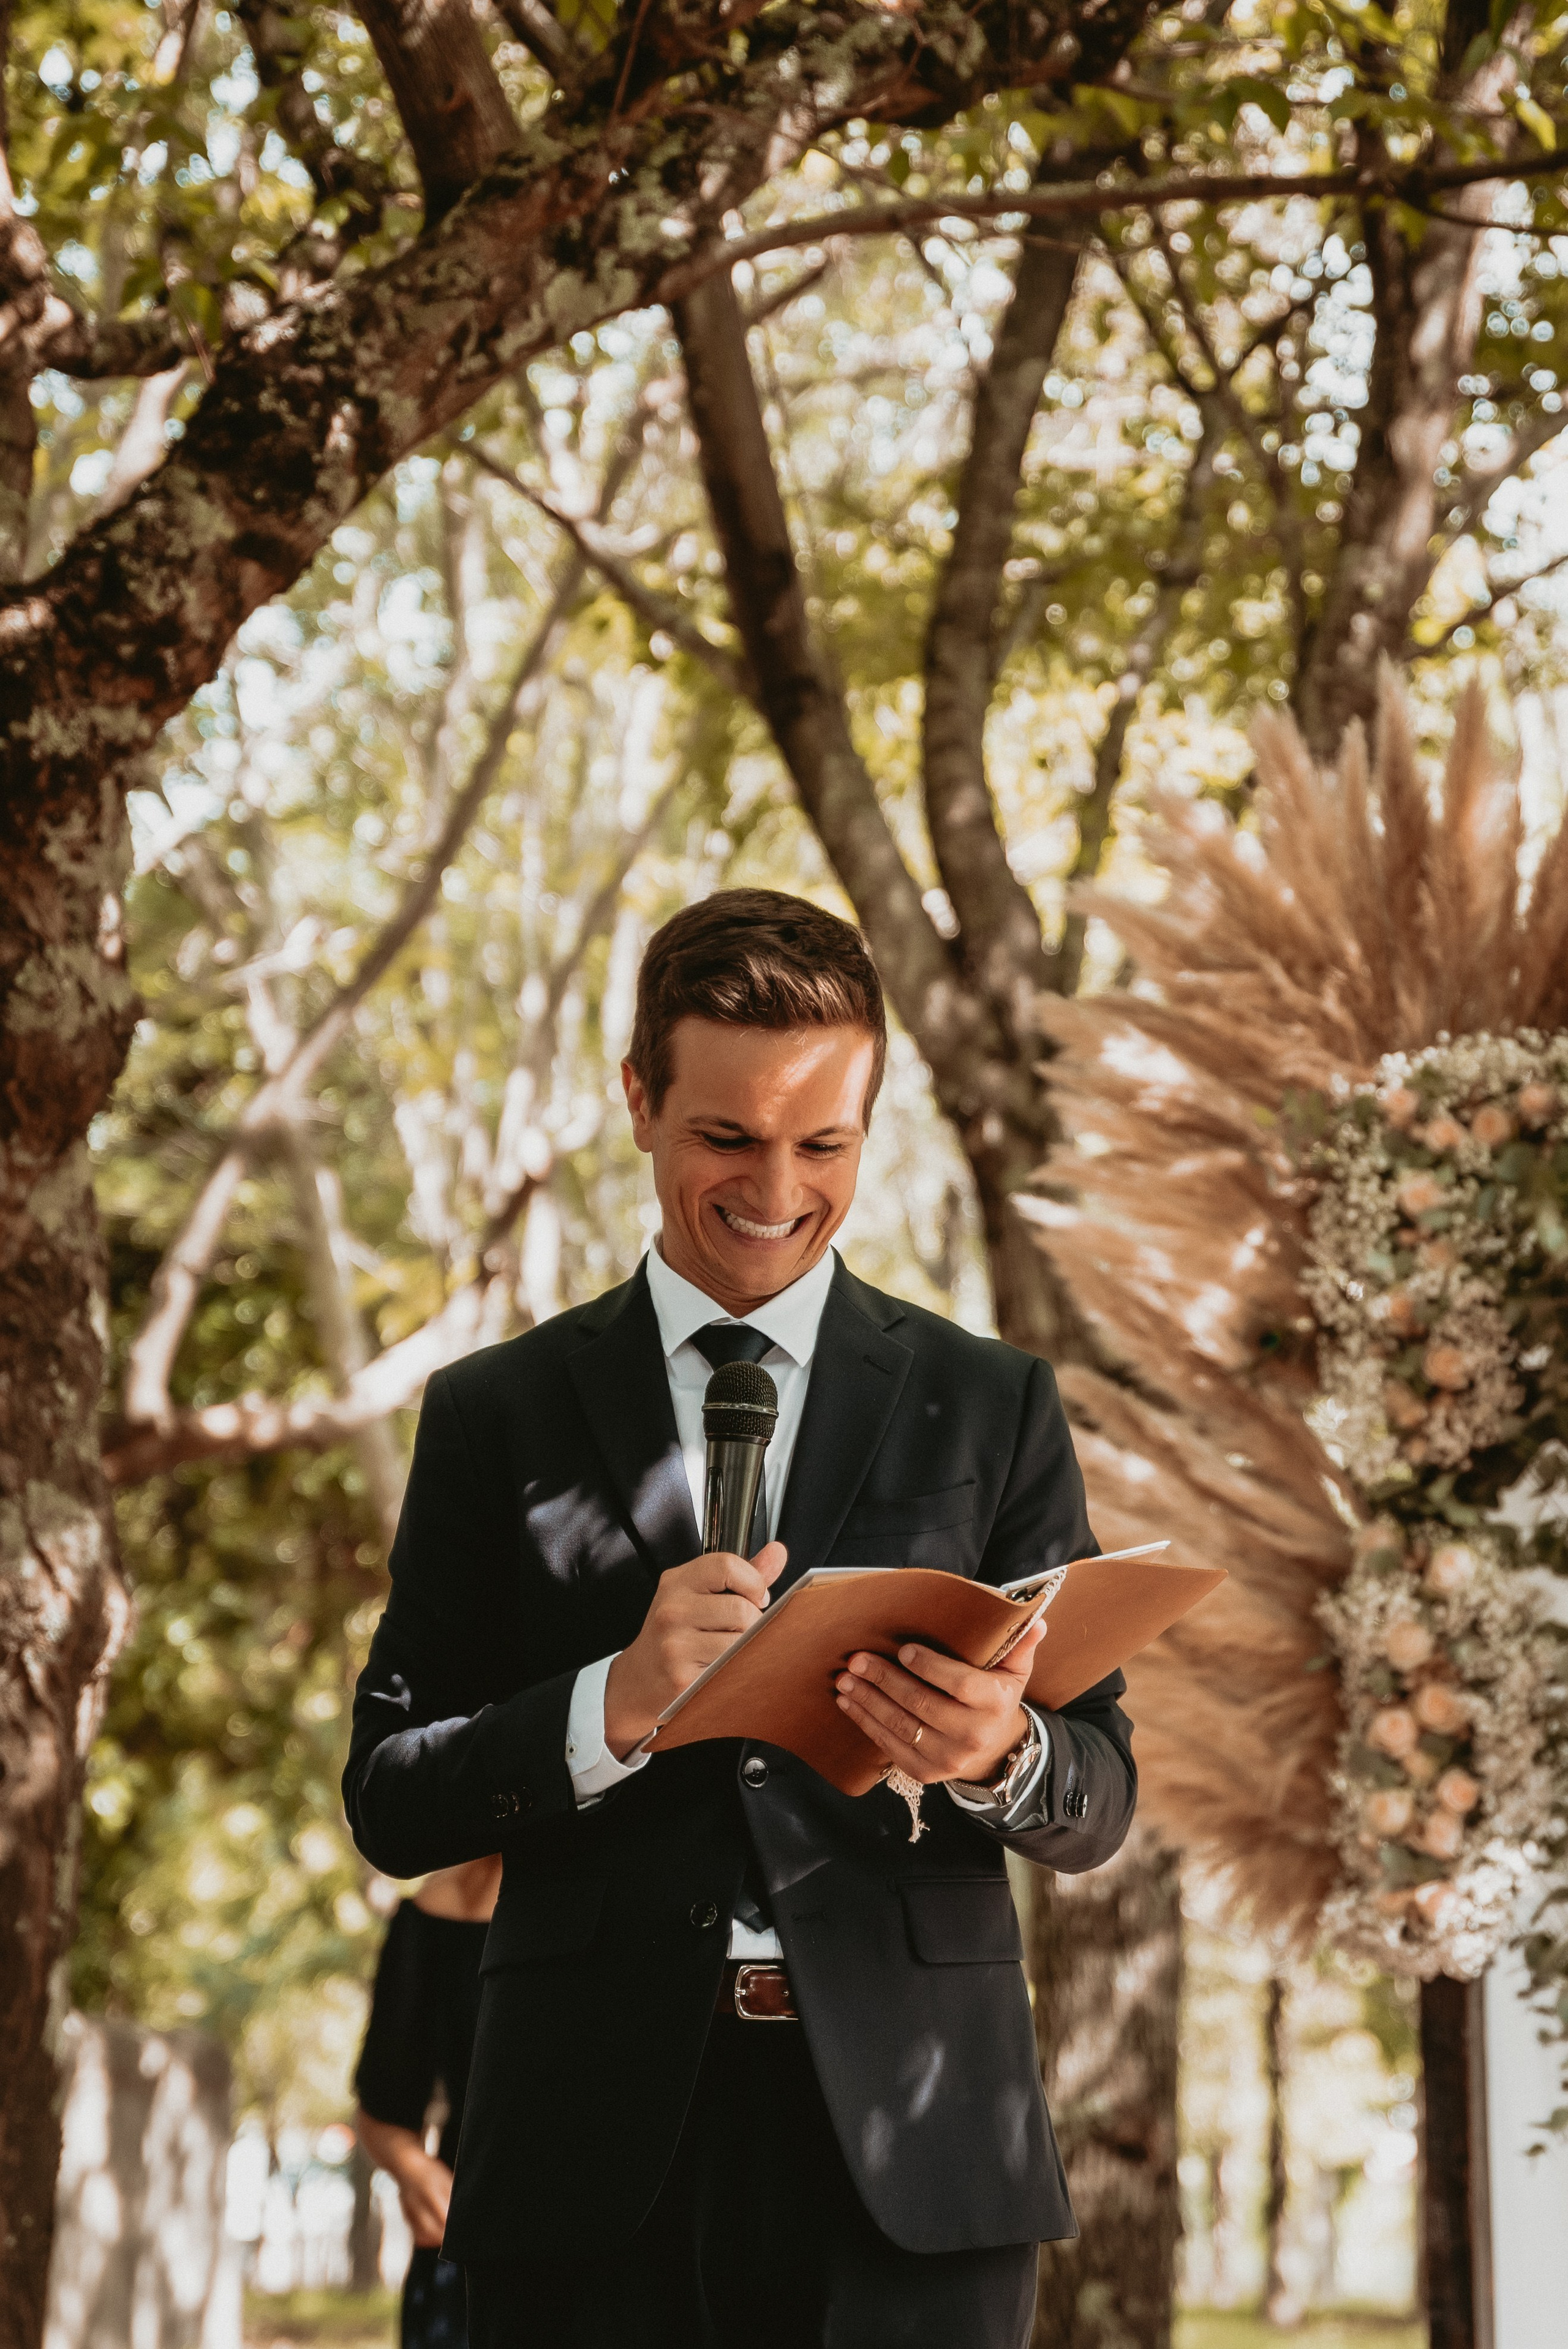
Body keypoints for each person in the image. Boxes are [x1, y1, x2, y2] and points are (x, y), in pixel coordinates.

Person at [343, 888, 1137, 2349]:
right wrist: (607, 1705)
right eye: (725, 1135)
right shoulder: (488, 1413)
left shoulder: (992, 1401)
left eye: (822, 1141)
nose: (776, 1185)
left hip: (918, 2158)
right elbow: (391, 1796)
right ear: (638, 1096)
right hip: (581, 2159)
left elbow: (1099, 1798)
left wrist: (1001, 1748)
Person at [354, 1856, 501, 2349]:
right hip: (471, 2260)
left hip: (632, 2241)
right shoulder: (436, 1912)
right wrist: (421, 2177)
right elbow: (384, 2108)